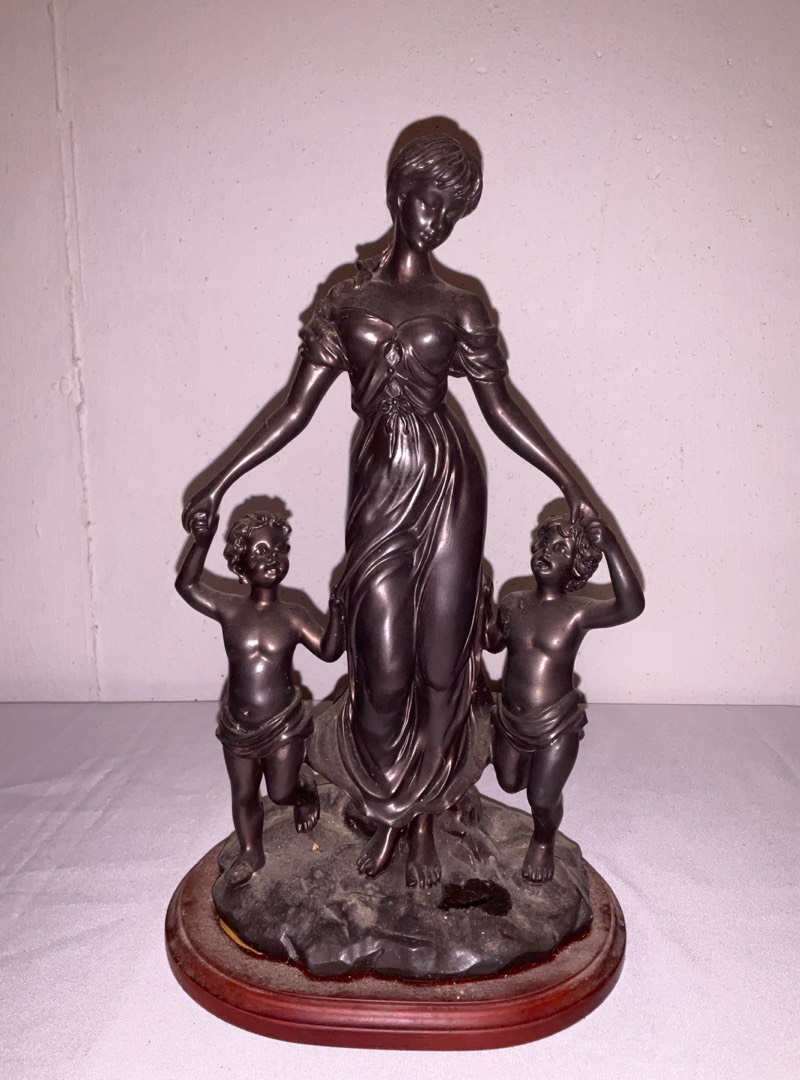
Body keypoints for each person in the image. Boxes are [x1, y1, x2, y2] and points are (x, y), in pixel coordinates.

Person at [182, 133, 596, 888]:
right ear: (397, 191)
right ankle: (384, 809)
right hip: (379, 488)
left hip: (451, 485)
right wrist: (219, 476)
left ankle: (424, 821)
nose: (437, 221)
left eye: (452, 212)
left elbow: (501, 410)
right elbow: (294, 407)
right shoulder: (347, 299)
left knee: (442, 668)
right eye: (429, 202)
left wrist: (571, 480)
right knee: (380, 672)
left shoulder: (461, 305)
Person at [176, 510, 345, 886]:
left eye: (277, 549)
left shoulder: (293, 616)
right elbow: (186, 586)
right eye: (260, 551)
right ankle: (251, 851)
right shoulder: (230, 609)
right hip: (238, 725)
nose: (271, 558)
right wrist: (202, 541)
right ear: (241, 564)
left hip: (282, 723)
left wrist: (338, 612)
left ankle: (303, 790)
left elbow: (330, 651)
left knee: (280, 794)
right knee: (244, 794)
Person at [485, 516, 644, 883]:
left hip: (556, 724)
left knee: (541, 799)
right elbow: (491, 643)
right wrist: (478, 603)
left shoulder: (577, 612)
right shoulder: (513, 602)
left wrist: (611, 547)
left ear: (577, 566)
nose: (546, 552)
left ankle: (544, 840)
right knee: (508, 783)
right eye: (543, 544)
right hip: (510, 719)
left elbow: (631, 606)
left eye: (560, 549)